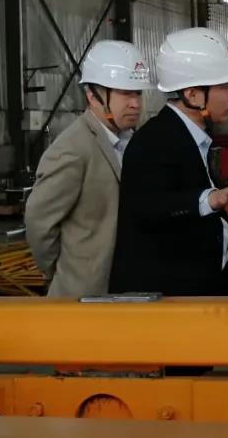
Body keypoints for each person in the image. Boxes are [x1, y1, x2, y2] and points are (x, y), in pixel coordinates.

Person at [108, 27, 228, 296]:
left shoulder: (192, 137)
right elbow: (148, 208)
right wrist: (209, 200)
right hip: (170, 303)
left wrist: (217, 209)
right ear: (193, 94)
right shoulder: (153, 143)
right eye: (224, 86)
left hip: (197, 296)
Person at [26, 40, 153, 298]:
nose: (135, 104)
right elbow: (39, 222)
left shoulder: (132, 143)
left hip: (126, 290)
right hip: (82, 295)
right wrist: (65, 273)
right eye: (125, 93)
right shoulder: (73, 149)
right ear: (93, 95)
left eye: (138, 93)